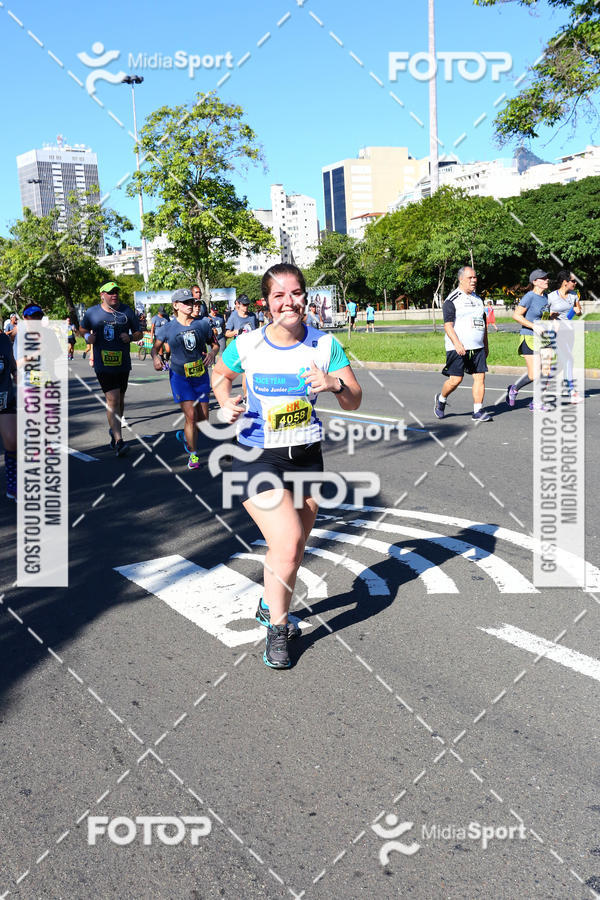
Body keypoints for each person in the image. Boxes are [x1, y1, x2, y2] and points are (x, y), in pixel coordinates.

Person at [212, 263, 362, 669]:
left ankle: (267, 605)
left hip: (307, 457)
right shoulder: (247, 345)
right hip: (258, 456)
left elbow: (354, 399)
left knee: (291, 551)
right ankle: (277, 630)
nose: (288, 302)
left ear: (305, 297)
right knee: (289, 540)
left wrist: (335, 385)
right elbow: (219, 375)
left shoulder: (324, 345)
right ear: (266, 303)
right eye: (278, 295)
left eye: (295, 293)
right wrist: (225, 403)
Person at [152, 288, 218, 469]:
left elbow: (215, 344)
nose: (191, 305)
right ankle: (193, 455)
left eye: (192, 302)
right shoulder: (167, 328)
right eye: (186, 302)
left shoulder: (202, 324)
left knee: (203, 420)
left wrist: (212, 352)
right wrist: (155, 358)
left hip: (200, 375)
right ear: (175, 306)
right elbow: (154, 347)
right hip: (180, 377)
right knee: (190, 416)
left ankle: (185, 435)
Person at [80, 281, 142, 456]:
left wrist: (129, 337)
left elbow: (139, 332)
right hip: (103, 364)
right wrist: (87, 336)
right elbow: (82, 328)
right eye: (110, 292)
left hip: (122, 364)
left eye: (116, 292)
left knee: (120, 400)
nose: (114, 295)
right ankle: (119, 440)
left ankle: (114, 430)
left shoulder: (126, 311)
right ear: (102, 295)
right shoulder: (92, 312)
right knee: (113, 400)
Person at [434, 265, 493, 422]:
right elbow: (448, 325)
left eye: (475, 277)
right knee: (455, 380)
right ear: (461, 279)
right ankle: (441, 399)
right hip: (458, 347)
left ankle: (478, 411)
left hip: (477, 347)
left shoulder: (478, 299)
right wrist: (457, 343)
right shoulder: (452, 300)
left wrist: (485, 344)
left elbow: (483, 323)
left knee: (480, 377)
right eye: (470, 278)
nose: (474, 280)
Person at [505, 268, 551, 411]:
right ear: (535, 282)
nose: (547, 280)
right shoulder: (529, 296)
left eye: (547, 278)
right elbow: (516, 315)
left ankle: (536, 402)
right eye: (543, 278)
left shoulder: (546, 297)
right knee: (533, 374)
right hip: (529, 337)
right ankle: (514, 389)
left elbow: (542, 316)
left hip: (543, 338)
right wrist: (533, 326)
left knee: (547, 370)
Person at [547, 269, 583, 404]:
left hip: (569, 332)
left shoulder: (574, 295)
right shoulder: (551, 297)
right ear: (564, 282)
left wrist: (578, 312)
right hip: (555, 333)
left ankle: (543, 382)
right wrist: (551, 316)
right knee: (568, 360)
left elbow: (578, 311)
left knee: (564, 363)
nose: (575, 283)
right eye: (573, 281)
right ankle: (572, 392)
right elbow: (543, 315)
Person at [0, 324, 17, 500]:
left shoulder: (4, 340)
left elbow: (12, 364)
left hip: (4, 399)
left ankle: (12, 484)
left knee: (12, 440)